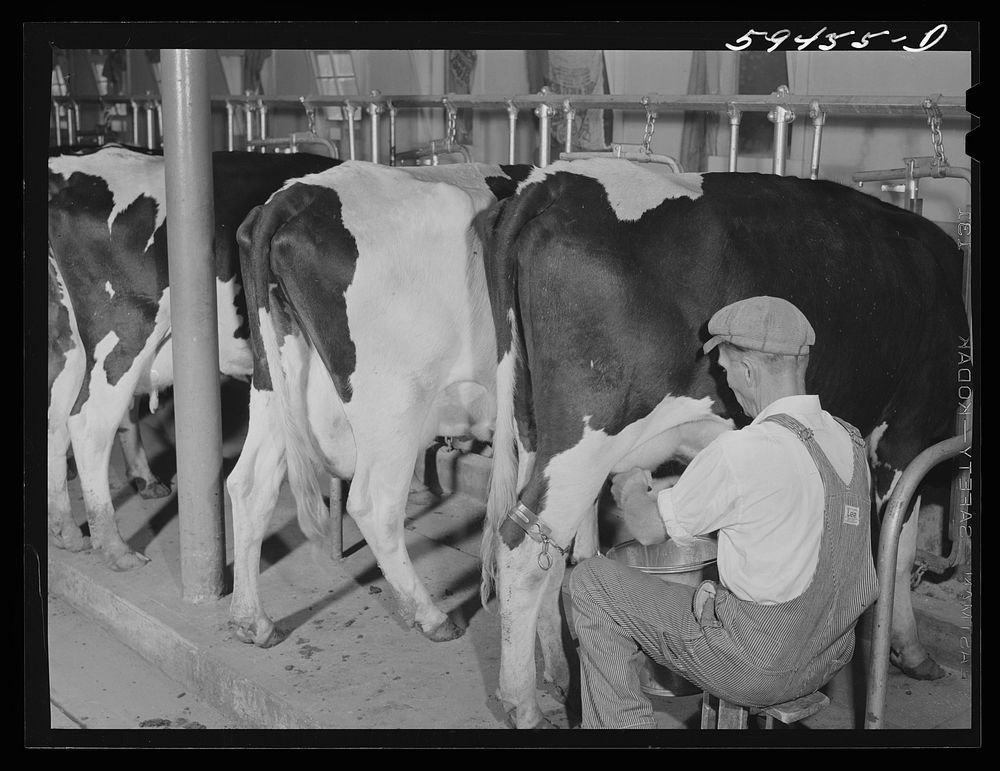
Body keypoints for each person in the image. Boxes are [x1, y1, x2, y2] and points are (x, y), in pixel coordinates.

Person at [569, 295, 879, 729]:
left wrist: (633, 485)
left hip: (757, 667)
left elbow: (646, 527)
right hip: (828, 656)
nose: (726, 381)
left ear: (749, 370)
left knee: (591, 584)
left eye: (726, 369)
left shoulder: (743, 449)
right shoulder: (850, 440)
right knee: (718, 578)